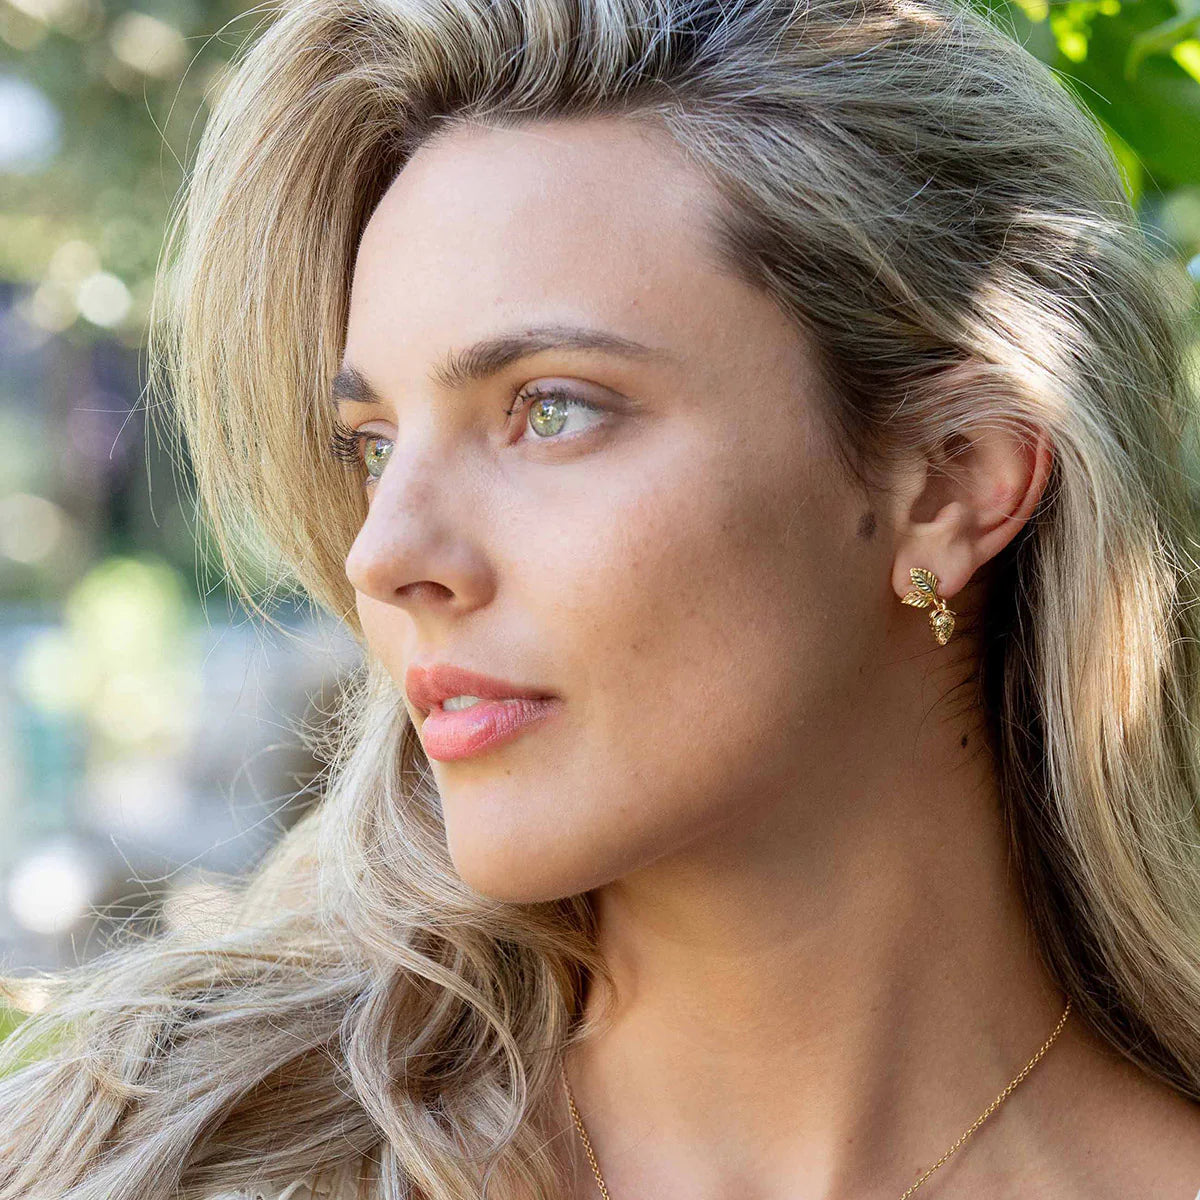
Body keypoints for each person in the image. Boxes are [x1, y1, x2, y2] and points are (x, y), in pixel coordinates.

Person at [3, 0, 1200, 1195]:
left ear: (955, 483)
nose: (382, 554)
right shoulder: (169, 1159)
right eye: (372, 446)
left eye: (551, 408)